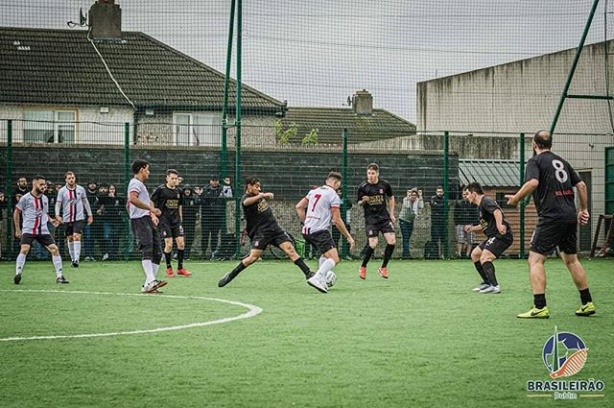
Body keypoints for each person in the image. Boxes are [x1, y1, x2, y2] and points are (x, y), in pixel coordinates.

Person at [506, 130, 595, 318]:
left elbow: (532, 183)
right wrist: (584, 209)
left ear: (534, 144)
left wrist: (515, 199)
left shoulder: (535, 162)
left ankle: (539, 307)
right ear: (550, 144)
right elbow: (581, 185)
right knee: (572, 259)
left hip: (551, 217)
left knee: (535, 260)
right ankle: (587, 303)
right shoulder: (562, 161)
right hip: (569, 215)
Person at [217, 176, 317, 291]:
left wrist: (262, 196)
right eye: (256, 186)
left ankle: (309, 274)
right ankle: (230, 276)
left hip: (275, 229)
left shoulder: (258, 196)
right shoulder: (247, 198)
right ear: (249, 186)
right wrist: (262, 195)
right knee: (253, 258)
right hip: (261, 233)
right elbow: (246, 202)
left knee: (290, 249)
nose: (259, 189)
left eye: (259, 186)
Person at [296, 172, 356, 292]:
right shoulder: (333, 195)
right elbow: (337, 219)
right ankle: (317, 277)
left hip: (307, 231)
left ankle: (322, 280)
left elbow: (299, 207)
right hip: (320, 231)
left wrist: (306, 221)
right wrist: (348, 237)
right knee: (335, 258)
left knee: (325, 255)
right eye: (338, 186)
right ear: (336, 183)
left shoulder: (314, 191)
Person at [13, 174, 68, 284]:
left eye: (45, 185)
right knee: (24, 249)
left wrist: (51, 220)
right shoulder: (25, 198)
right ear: (34, 184)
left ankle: (60, 276)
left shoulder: (45, 199)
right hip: (29, 230)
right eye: (41, 184)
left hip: (42, 230)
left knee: (55, 249)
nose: (44, 187)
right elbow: (16, 212)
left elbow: (44, 213)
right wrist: (18, 229)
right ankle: (18, 273)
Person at [464, 182, 513, 294]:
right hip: (493, 236)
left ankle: (495, 286)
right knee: (475, 254)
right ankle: (487, 282)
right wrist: (472, 228)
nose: (466, 197)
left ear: (474, 193)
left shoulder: (486, 201)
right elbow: (484, 225)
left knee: (485, 257)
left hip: (501, 236)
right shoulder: (480, 207)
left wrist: (500, 224)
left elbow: (497, 211)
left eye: (467, 194)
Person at [127, 159, 167, 294]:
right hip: (140, 220)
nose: (149, 172)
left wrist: (151, 215)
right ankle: (151, 280)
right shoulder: (135, 183)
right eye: (148, 169)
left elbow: (128, 204)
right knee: (147, 247)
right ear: (142, 169)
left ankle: (148, 285)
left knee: (157, 251)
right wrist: (151, 209)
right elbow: (132, 199)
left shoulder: (140, 184)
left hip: (146, 219)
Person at [357, 163, 396, 279]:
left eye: (373, 173)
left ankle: (383, 267)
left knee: (392, 241)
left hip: (384, 218)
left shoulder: (384, 185)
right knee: (373, 244)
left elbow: (391, 197)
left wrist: (392, 213)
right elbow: (359, 203)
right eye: (369, 173)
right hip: (371, 220)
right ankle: (363, 266)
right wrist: (364, 201)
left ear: (377, 173)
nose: (370, 176)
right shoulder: (363, 187)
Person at [151, 169, 192, 277]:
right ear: (167, 178)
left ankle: (180, 268)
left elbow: (179, 205)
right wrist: (153, 213)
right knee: (169, 244)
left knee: (181, 243)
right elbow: (151, 200)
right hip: (164, 221)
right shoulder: (160, 190)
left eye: (176, 179)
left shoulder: (179, 191)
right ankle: (169, 268)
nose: (174, 180)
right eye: (172, 178)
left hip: (176, 221)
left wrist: (180, 218)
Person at [55, 171, 93, 268]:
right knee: (70, 238)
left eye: (72, 178)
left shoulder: (81, 189)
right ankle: (72, 259)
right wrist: (57, 215)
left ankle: (76, 259)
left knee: (77, 236)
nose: (71, 180)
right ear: (66, 180)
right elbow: (58, 204)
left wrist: (90, 215)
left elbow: (85, 202)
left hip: (79, 218)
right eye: (69, 178)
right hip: (67, 218)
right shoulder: (62, 191)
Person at [200, 175, 225, 260]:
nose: (214, 182)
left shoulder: (222, 189)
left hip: (217, 216)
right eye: (213, 180)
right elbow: (202, 201)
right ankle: (203, 252)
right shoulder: (205, 189)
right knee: (205, 235)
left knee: (215, 235)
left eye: (216, 180)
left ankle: (213, 252)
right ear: (210, 181)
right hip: (206, 216)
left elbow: (229, 195)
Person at [399, 188, 423, 259]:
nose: (413, 197)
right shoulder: (405, 199)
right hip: (403, 220)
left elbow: (421, 206)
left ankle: (404, 253)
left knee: (407, 238)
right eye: (412, 195)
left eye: (415, 195)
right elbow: (407, 206)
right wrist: (408, 197)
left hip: (410, 221)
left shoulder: (417, 200)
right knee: (405, 237)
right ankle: (407, 255)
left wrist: (421, 196)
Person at [454, 188, 479, 259]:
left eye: (466, 194)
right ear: (462, 195)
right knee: (460, 239)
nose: (465, 196)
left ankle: (468, 255)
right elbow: (455, 214)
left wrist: (473, 224)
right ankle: (459, 254)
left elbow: (475, 214)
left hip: (470, 223)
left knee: (470, 240)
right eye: (464, 194)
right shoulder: (458, 203)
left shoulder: (473, 204)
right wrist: (457, 223)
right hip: (460, 223)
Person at [331, 189, 354, 260]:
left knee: (347, 238)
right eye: (337, 192)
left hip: (345, 222)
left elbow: (350, 205)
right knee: (335, 239)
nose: (339, 193)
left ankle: (346, 253)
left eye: (340, 192)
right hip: (336, 223)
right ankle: (336, 254)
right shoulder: (333, 200)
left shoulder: (345, 200)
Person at [180, 185, 199, 260]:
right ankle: (180, 254)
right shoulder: (181, 199)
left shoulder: (194, 199)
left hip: (191, 221)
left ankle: (187, 254)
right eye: (186, 190)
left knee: (190, 237)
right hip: (183, 220)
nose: (187, 191)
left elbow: (197, 208)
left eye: (189, 190)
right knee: (181, 237)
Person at [83, 180, 99, 261]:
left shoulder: (98, 195)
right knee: (87, 236)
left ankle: (91, 255)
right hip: (87, 219)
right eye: (91, 184)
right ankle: (88, 255)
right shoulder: (85, 194)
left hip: (97, 219)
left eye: (94, 184)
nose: (92, 185)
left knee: (92, 237)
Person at [429, 186, 446, 259]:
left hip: (443, 222)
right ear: (436, 192)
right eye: (438, 192)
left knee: (443, 239)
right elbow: (434, 206)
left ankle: (442, 254)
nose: (440, 193)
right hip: (435, 222)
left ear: (443, 192)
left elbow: (446, 207)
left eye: (441, 192)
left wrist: (438, 206)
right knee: (435, 238)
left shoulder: (445, 199)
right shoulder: (433, 198)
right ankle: (435, 254)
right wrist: (441, 206)